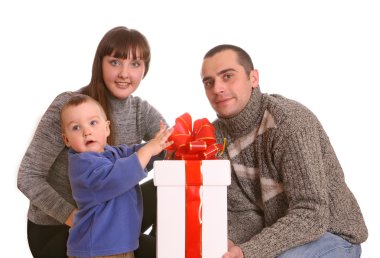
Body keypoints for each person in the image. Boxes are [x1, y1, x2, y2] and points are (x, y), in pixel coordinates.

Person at [200, 44, 368, 258]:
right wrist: (227, 245)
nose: (217, 88)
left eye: (227, 76)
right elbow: (243, 212)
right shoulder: (215, 136)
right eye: (209, 82)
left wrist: (247, 252)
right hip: (278, 236)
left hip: (331, 234)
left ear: (253, 78)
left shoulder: (289, 122)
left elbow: (312, 213)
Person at [17, 26, 165, 258]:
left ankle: (139, 242)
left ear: (145, 69)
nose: (125, 73)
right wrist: (73, 217)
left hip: (110, 221)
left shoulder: (140, 110)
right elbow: (28, 176)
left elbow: (168, 145)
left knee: (167, 189)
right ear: (100, 63)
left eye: (135, 64)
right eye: (115, 62)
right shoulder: (71, 109)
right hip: (62, 230)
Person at [60, 95, 172, 258]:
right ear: (67, 139)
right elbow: (119, 176)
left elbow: (134, 154)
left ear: (106, 128)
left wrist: (161, 148)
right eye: (76, 127)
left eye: (93, 123)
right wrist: (148, 150)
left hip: (120, 246)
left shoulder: (113, 153)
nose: (87, 131)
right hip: (97, 250)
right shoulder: (82, 165)